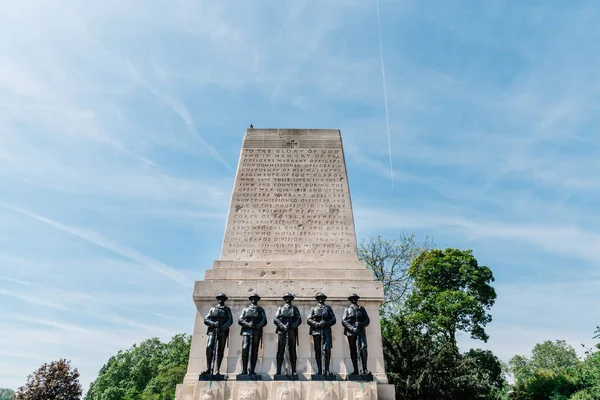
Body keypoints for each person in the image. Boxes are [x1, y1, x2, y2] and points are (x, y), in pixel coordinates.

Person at [201, 293, 233, 375]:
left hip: (222, 332)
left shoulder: (227, 309)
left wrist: (223, 327)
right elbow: (206, 319)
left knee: (220, 350)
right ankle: (208, 368)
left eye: (222, 298)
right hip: (213, 332)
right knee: (209, 347)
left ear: (224, 300)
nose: (221, 299)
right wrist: (213, 324)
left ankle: (217, 369)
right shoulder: (212, 309)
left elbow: (230, 320)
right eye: (219, 298)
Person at [307, 292, 336, 375]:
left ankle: (326, 369)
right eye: (319, 298)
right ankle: (320, 369)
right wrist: (317, 324)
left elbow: (333, 319)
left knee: (327, 349)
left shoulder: (328, 308)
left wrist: (326, 323)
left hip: (326, 331)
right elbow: (309, 320)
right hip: (316, 332)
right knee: (318, 351)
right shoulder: (313, 309)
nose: (321, 300)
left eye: (322, 298)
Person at [238, 292, 267, 375]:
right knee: (245, 349)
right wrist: (248, 324)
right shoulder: (245, 309)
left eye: (255, 298)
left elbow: (264, 320)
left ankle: (252, 370)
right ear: (250, 299)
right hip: (246, 332)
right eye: (252, 298)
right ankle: (244, 370)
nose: (254, 300)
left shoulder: (260, 309)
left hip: (256, 332)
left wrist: (257, 326)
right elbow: (240, 320)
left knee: (254, 351)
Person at [342, 293, 371, 375]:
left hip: (361, 331)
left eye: (355, 298)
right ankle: (356, 370)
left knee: (363, 347)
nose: (354, 299)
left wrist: (361, 324)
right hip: (351, 332)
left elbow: (367, 320)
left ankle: (365, 369)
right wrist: (352, 328)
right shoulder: (347, 309)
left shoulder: (361, 309)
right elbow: (344, 320)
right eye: (352, 298)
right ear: (350, 300)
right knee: (353, 350)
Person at [274, 292, 302, 375]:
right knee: (280, 350)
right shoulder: (280, 308)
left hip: (291, 331)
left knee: (292, 350)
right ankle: (278, 370)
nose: (287, 299)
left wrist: (292, 325)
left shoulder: (294, 308)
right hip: (282, 331)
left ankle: (293, 370)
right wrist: (282, 326)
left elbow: (299, 319)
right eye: (286, 298)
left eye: (289, 298)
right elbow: (276, 319)